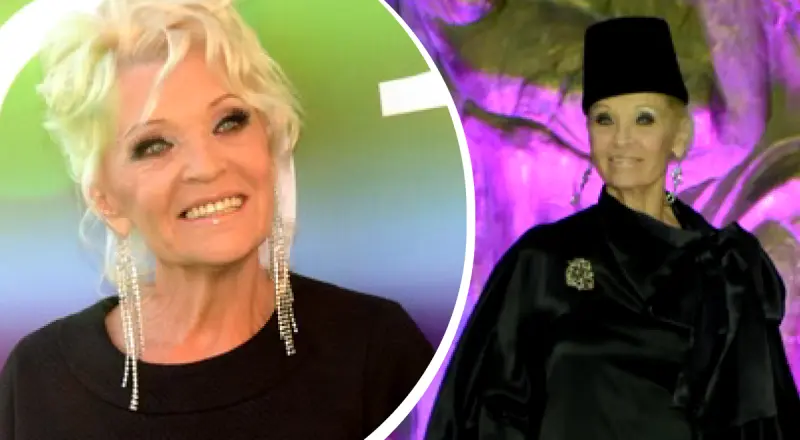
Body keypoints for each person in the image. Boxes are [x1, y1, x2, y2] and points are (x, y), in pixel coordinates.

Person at [0, 1, 434, 438]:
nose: (206, 166)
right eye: (154, 145)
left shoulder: (377, 351)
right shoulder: (36, 380)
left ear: (269, 142)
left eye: (229, 121)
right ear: (107, 201)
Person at [424, 16, 800, 440]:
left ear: (679, 135)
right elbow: (478, 414)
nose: (622, 139)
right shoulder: (539, 265)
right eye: (605, 120)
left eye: (644, 119)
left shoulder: (730, 275)